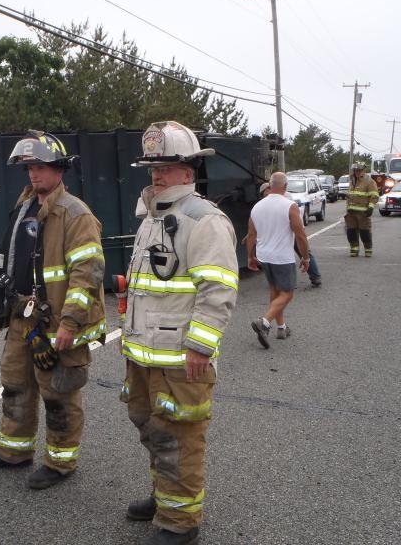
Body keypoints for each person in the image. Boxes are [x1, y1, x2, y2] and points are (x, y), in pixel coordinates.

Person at [121, 121, 239, 545]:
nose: (157, 175)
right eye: (153, 167)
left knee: (179, 436)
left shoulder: (202, 220)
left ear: (188, 172)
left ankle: (180, 522)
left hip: (179, 358)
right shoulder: (153, 217)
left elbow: (218, 289)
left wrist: (200, 348)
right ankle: (165, 495)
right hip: (143, 353)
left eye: (167, 167)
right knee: (151, 427)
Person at [0, 130, 106, 491]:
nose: (34, 174)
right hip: (23, 316)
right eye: (30, 167)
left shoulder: (74, 213)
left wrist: (70, 323)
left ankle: (60, 462)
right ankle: (13, 451)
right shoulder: (24, 207)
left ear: (60, 169)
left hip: (57, 321)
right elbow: (9, 259)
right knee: (15, 383)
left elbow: (88, 273)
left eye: (42, 167)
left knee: (59, 392)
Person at [246, 172, 310, 348]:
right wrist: (305, 257)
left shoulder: (257, 207)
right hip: (282, 257)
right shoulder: (290, 205)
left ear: (269, 185)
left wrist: (250, 256)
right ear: (285, 186)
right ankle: (264, 322)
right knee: (287, 293)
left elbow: (251, 235)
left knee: (275, 290)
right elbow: (300, 234)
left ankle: (281, 328)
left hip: (264, 256)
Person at [254, 181, 321, 287]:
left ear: (269, 188)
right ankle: (284, 280)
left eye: (264, 193)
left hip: (292, 230)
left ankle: (315, 277)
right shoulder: (270, 200)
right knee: (281, 254)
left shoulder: (285, 196)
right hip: (283, 231)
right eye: (262, 195)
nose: (264, 196)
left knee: (304, 253)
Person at [344, 162, 379, 257]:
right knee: (351, 232)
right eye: (355, 170)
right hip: (351, 212)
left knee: (365, 232)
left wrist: (371, 207)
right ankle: (354, 249)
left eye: (359, 170)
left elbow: (374, 196)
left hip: (363, 213)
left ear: (363, 170)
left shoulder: (369, 181)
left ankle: (368, 250)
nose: (357, 172)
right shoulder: (352, 180)